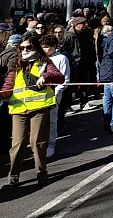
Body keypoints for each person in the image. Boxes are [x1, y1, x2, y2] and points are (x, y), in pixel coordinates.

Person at [0, 35, 65, 189]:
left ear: (35, 47)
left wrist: (45, 76)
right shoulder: (15, 64)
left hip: (39, 108)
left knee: (38, 143)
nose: (24, 50)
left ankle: (42, 174)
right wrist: (2, 94)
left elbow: (59, 77)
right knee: (17, 144)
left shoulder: (44, 62)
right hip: (19, 109)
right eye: (22, 48)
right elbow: (8, 86)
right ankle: (13, 176)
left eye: (28, 47)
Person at [38, 35, 70, 158]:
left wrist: (56, 93)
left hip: (54, 94)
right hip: (39, 94)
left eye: (47, 47)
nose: (44, 49)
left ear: (54, 47)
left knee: (52, 120)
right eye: (42, 47)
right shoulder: (39, 58)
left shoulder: (62, 58)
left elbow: (65, 79)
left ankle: (51, 145)